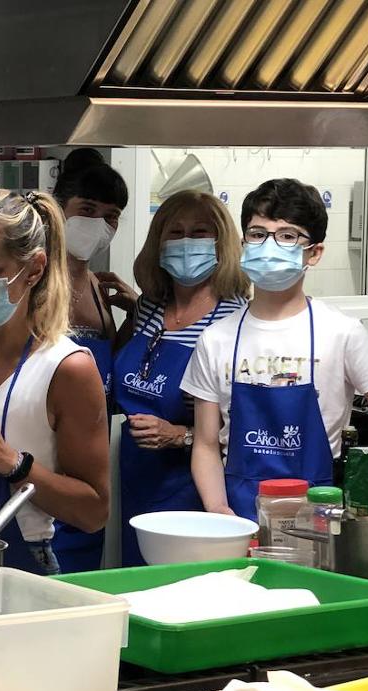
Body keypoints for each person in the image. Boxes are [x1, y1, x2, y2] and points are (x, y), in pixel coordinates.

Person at [183, 178, 368, 521]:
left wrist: (358, 493)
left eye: (287, 235)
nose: (269, 245)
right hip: (237, 517)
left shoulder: (342, 332)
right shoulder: (216, 338)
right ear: (243, 243)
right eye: (257, 233)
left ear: (314, 252)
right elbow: (206, 444)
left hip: (320, 517)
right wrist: (218, 510)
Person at [0, 189, 109, 575]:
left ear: (34, 269)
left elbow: (94, 511)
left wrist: (13, 463)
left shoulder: (65, 368)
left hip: (23, 567)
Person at [111, 191, 249, 566]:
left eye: (200, 232)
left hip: (194, 487)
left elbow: (240, 431)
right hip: (135, 477)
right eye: (176, 232)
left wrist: (178, 435)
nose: (187, 242)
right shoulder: (147, 308)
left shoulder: (234, 322)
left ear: (221, 244)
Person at [50, 149, 129, 572]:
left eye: (112, 216)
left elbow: (112, 363)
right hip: (44, 454)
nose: (99, 223)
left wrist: (137, 312)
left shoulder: (99, 287)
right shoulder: (34, 279)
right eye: (87, 210)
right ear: (59, 207)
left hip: (92, 456)